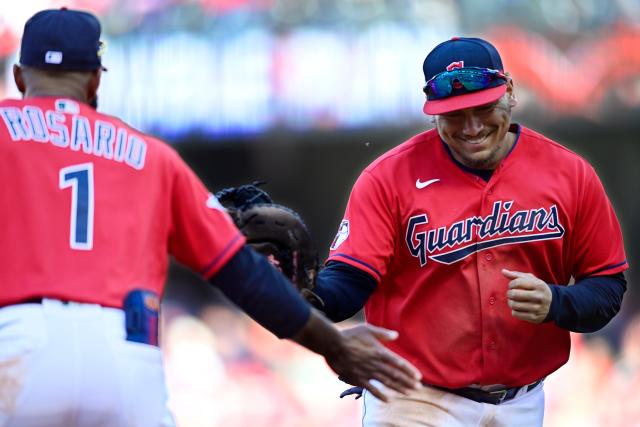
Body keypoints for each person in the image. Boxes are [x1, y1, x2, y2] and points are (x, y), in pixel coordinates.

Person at [0, 8, 422, 427]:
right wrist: (332, 343)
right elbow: (242, 273)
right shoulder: (152, 157)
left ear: (20, 77)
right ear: (96, 78)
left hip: (17, 341)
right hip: (124, 356)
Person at [312, 37, 629, 426]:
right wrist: (297, 286)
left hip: (522, 403)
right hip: (414, 399)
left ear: (509, 93)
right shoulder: (388, 178)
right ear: (432, 113)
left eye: (483, 108)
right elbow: (348, 282)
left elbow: (608, 287)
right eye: (454, 115)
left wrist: (558, 302)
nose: (472, 127)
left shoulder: (570, 174)